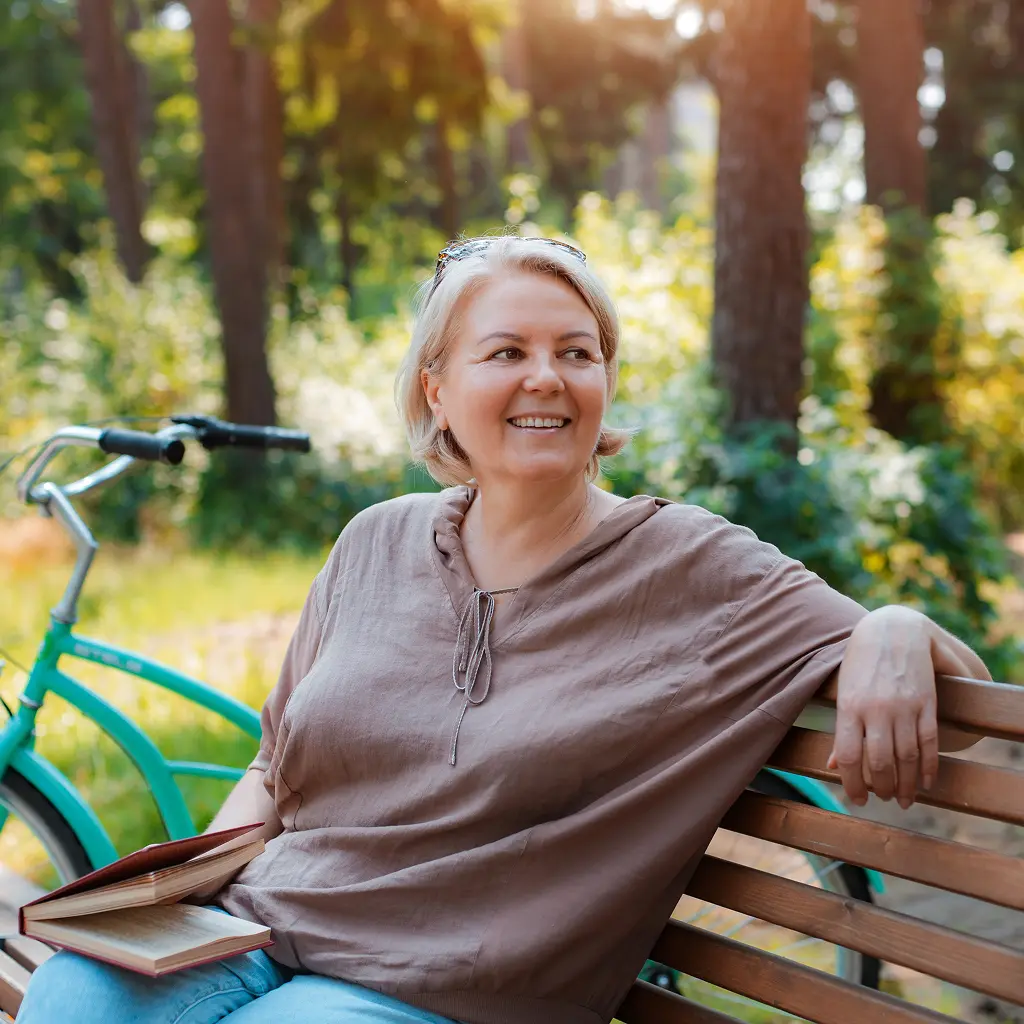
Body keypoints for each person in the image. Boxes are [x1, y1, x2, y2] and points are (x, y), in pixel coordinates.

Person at [19, 235, 990, 1024]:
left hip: (442, 989)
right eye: (507, 352)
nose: (547, 379)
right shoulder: (375, 540)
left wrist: (895, 624)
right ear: (437, 388)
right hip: (265, 927)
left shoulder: (696, 568)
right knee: (71, 994)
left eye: (577, 351)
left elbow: (962, 714)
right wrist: (181, 906)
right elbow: (276, 768)